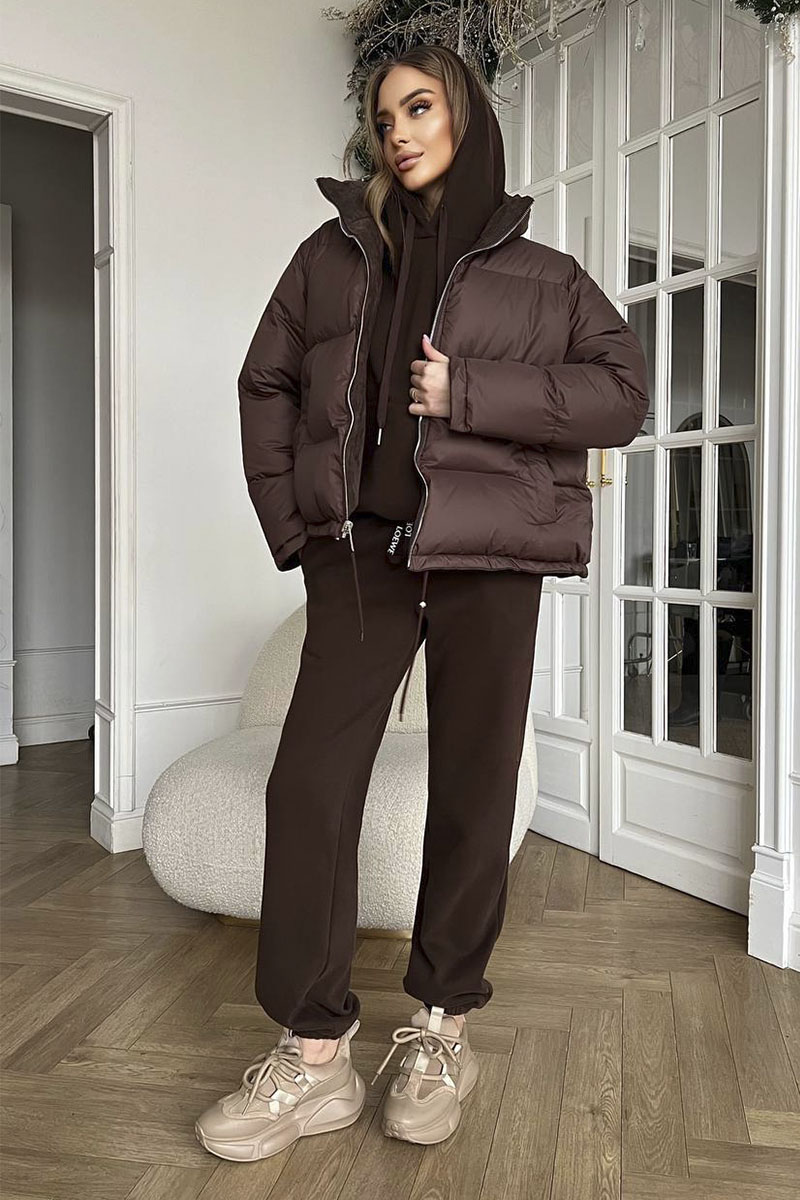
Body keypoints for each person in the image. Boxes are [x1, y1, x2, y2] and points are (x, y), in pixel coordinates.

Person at [195, 44, 649, 1161]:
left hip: (488, 555)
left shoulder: (543, 276)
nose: (397, 131)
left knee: (473, 782)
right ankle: (314, 1056)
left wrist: (470, 390)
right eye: (382, 115)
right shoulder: (330, 254)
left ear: (465, 116)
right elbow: (265, 382)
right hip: (361, 556)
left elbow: (621, 395)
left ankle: (442, 1028)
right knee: (309, 782)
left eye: (419, 107)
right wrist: (298, 529)